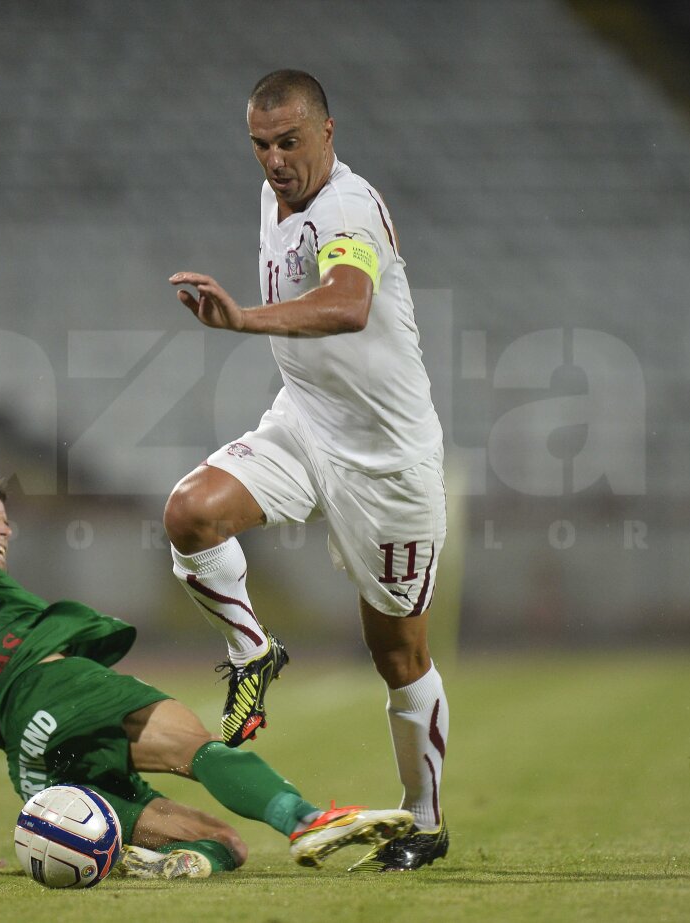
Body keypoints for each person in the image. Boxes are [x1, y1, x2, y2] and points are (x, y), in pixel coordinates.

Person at [0, 416, 414, 879]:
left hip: (37, 775)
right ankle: (305, 822)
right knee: (199, 747)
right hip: (59, 691)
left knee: (227, 845)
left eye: (4, 518)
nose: (2, 526)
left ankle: (153, 864)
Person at [163, 69, 450, 872]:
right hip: (303, 426)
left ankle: (424, 820)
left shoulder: (348, 208)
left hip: (388, 461)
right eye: (260, 144)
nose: (275, 160)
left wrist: (243, 320)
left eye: (290, 141)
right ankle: (253, 652)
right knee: (189, 512)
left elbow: (349, 301)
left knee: (397, 655)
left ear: (329, 131)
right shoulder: (274, 195)